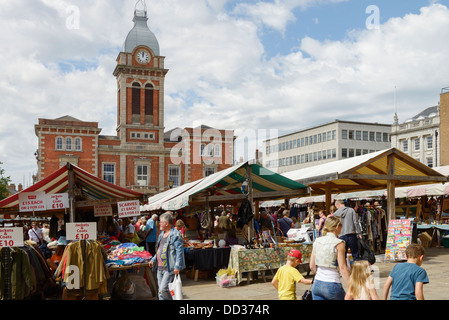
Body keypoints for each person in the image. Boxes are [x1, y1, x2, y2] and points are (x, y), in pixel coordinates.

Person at [309, 216, 350, 300]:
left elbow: (312, 266)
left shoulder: (317, 241)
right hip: (332, 282)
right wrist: (352, 286)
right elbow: (342, 268)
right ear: (336, 227)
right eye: (341, 225)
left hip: (317, 283)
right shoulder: (339, 243)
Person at [148, 212, 185, 300]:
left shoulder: (176, 234)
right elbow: (159, 250)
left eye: (160, 222)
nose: (159, 224)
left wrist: (177, 266)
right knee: (160, 292)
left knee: (163, 289)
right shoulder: (162, 234)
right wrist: (153, 259)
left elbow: (179, 251)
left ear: (166, 223)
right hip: (159, 267)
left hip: (169, 267)